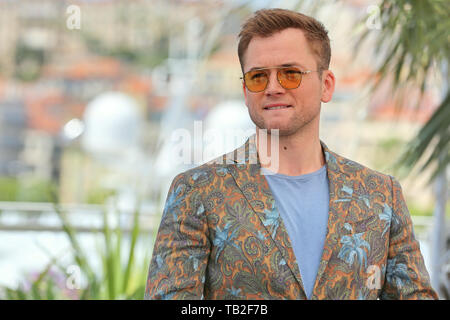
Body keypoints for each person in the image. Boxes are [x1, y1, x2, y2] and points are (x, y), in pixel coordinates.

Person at [144, 8, 438, 300]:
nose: (273, 87)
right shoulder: (197, 192)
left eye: (290, 74)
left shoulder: (380, 195)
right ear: (246, 92)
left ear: (326, 85)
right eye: (258, 77)